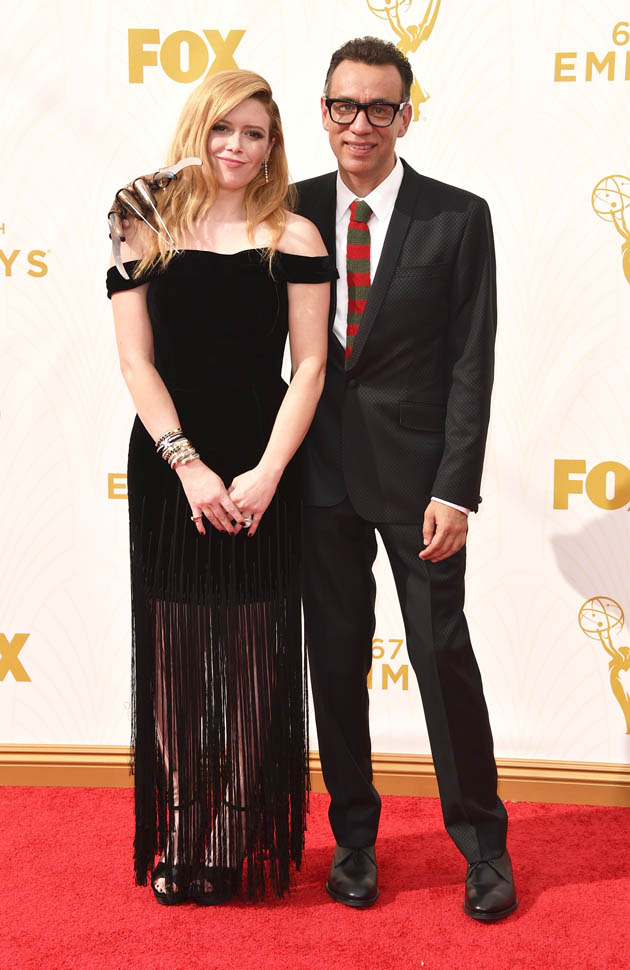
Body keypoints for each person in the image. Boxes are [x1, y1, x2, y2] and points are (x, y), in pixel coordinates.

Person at [293, 37, 517, 921]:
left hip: (423, 484)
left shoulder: (457, 217)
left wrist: (456, 488)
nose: (361, 123)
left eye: (379, 107)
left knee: (440, 655)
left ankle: (484, 844)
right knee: (335, 659)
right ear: (323, 111)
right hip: (315, 476)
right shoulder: (289, 208)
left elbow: (471, 361)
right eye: (344, 105)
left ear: (405, 115)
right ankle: (354, 839)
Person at [106, 69, 332, 906]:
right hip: (172, 470)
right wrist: (187, 464)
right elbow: (136, 361)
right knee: (171, 656)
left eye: (255, 133)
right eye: (222, 128)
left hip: (262, 464)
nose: (236, 145)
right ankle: (181, 817)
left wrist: (267, 473)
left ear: (273, 146)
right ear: (197, 130)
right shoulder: (142, 225)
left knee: (250, 656)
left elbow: (311, 365)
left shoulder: (294, 235)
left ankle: (235, 823)